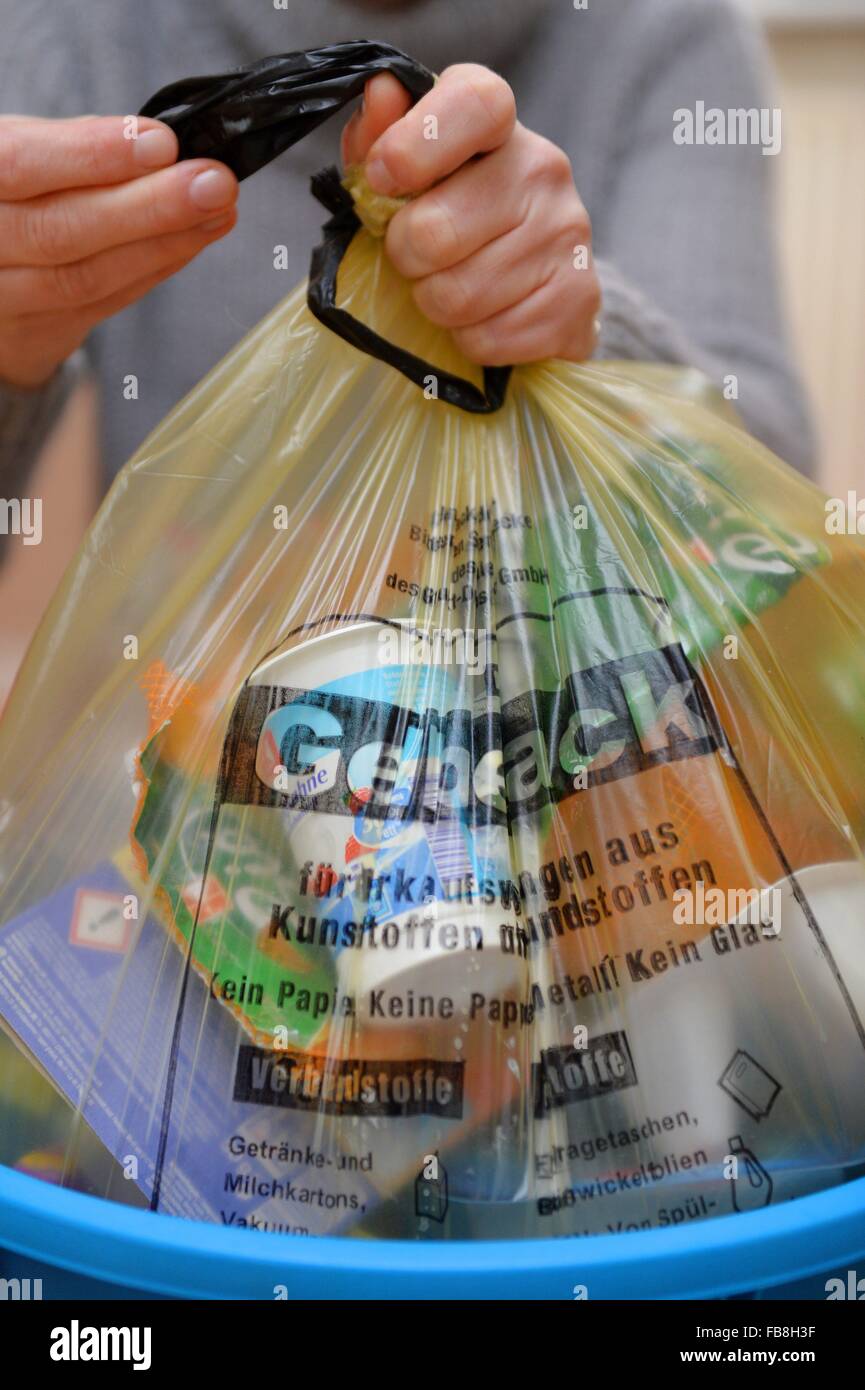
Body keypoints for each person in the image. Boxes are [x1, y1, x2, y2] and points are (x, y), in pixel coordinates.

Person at [0, 0, 815, 513]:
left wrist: (583, 330)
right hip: (187, 718)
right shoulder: (67, 25)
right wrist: (13, 352)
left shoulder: (668, 32)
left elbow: (773, 494)